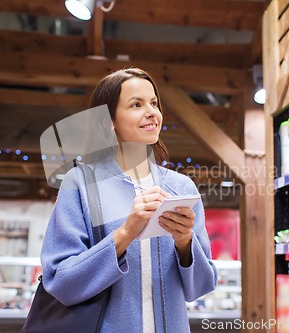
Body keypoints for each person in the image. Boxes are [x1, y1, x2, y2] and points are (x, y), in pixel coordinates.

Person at [40, 67, 217, 332]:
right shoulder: (80, 184)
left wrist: (184, 242)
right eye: (136, 104)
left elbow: (201, 287)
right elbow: (60, 282)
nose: (151, 112)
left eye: (154, 103)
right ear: (108, 121)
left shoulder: (181, 187)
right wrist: (125, 233)